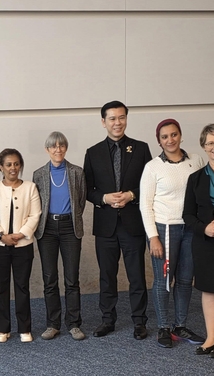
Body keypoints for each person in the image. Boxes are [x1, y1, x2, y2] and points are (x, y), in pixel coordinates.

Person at [84, 100, 152, 339]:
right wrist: (104, 198)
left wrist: (131, 195)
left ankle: (139, 321)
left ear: (126, 119)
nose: (117, 123)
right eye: (112, 118)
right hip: (106, 225)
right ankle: (107, 320)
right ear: (103, 122)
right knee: (107, 276)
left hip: (132, 223)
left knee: (137, 275)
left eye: (121, 117)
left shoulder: (141, 149)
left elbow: (150, 185)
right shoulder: (93, 152)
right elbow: (87, 189)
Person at [140, 119, 205, 348]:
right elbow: (145, 205)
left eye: (174, 134)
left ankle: (180, 326)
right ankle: (163, 327)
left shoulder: (196, 160)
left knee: (186, 280)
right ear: (159, 141)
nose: (170, 140)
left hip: (191, 228)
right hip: (165, 229)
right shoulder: (152, 167)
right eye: (165, 136)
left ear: (180, 135)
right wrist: (153, 237)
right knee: (164, 280)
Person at [33, 132, 87, 342]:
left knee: (72, 278)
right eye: (53, 146)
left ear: (66, 148)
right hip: (46, 228)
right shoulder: (39, 174)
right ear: (47, 149)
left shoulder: (76, 172)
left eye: (61, 146)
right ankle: (52, 324)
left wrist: (70, 218)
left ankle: (74, 324)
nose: (58, 150)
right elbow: (36, 202)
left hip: (69, 227)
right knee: (49, 279)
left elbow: (81, 202)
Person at [0, 148, 41, 343]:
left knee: (22, 286)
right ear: (1, 167)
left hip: (23, 244)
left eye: (16, 164)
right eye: (8, 164)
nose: (13, 168)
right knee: (1, 287)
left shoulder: (30, 187)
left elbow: (35, 215)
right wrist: (2, 236)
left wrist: (21, 234)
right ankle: (2, 329)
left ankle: (24, 328)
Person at [183, 123, 214, 358]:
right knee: (208, 289)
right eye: (210, 143)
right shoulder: (195, 178)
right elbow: (188, 214)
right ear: (203, 146)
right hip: (204, 241)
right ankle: (212, 337)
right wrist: (205, 228)